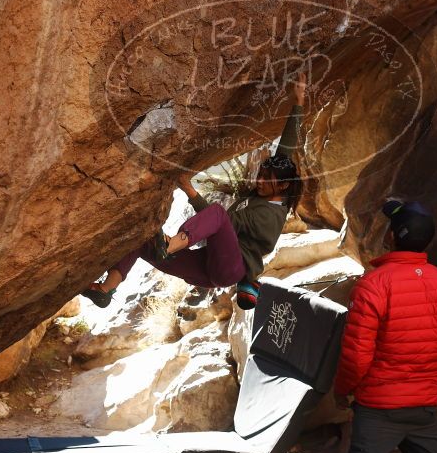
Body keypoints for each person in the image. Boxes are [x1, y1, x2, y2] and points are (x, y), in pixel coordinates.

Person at [81, 74, 306, 310]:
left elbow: (223, 222)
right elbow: (286, 148)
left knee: (217, 214)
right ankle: (107, 289)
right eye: (261, 174)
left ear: (283, 186)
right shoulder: (275, 184)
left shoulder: (270, 216)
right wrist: (298, 102)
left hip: (231, 268)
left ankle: (169, 245)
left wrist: (189, 190)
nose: (260, 180)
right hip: (207, 266)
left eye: (267, 179)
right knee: (144, 236)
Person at [334, 200, 437, 453]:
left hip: (377, 408)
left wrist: (342, 389)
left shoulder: (372, 285)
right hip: (423, 408)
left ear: (392, 236)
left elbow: (358, 355)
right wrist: (431, 391)